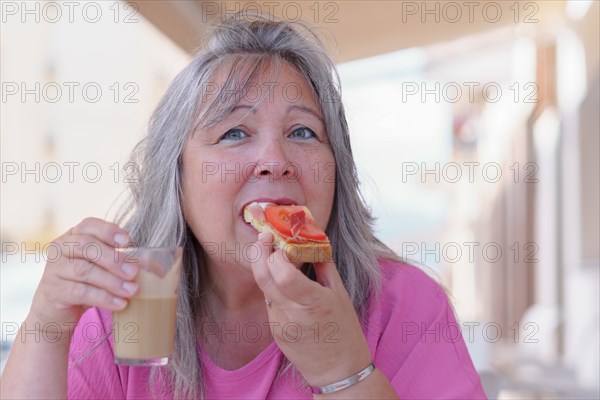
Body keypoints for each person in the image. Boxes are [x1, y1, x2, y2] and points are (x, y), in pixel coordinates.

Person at [1, 13, 487, 399]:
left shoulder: (400, 305)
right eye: (234, 133)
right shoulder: (139, 304)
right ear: (177, 176)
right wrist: (48, 319)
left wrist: (345, 372)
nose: (275, 161)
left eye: (303, 132)